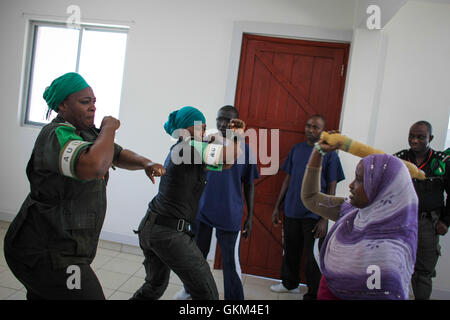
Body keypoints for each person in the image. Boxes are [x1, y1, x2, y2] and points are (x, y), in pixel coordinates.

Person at [3, 72, 165, 300]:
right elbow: (94, 165)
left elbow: (115, 154)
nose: (93, 108)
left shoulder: (89, 133)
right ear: (62, 105)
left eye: (94, 102)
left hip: (64, 249)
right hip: (45, 252)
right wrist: (109, 127)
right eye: (85, 102)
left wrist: (146, 163)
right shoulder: (55, 135)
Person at [131, 106, 245, 300]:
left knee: (155, 285)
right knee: (207, 294)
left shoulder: (184, 148)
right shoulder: (189, 147)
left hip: (152, 227)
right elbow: (229, 156)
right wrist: (236, 135)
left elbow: (226, 163)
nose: (205, 129)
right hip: (169, 233)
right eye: (200, 126)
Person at [302, 140, 419, 299]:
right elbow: (311, 198)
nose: (350, 185)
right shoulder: (352, 213)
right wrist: (318, 152)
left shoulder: (388, 258)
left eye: (358, 179)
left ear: (380, 188)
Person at [173, 105, 259, 300]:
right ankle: (189, 290)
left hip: (229, 214)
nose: (222, 124)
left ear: (236, 123)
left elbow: (249, 185)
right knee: (196, 257)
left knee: (230, 262)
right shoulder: (207, 143)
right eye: (219, 118)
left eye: (228, 120)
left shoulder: (245, 149)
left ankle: (235, 301)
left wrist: (250, 216)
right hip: (202, 211)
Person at [270, 115, 345, 300]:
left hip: (314, 214)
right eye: (308, 126)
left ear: (323, 131)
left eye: (316, 127)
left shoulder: (330, 154)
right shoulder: (296, 149)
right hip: (292, 210)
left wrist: (324, 218)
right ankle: (289, 284)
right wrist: (277, 206)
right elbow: (288, 178)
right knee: (290, 249)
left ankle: (313, 293)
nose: (311, 130)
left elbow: (331, 186)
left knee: (314, 258)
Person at [394, 121, 450, 299]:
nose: (414, 140)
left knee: (423, 273)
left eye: (420, 137)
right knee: (396, 267)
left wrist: (445, 221)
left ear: (430, 138)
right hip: (402, 222)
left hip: (428, 224)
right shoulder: (399, 159)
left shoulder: (441, 162)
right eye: (412, 136)